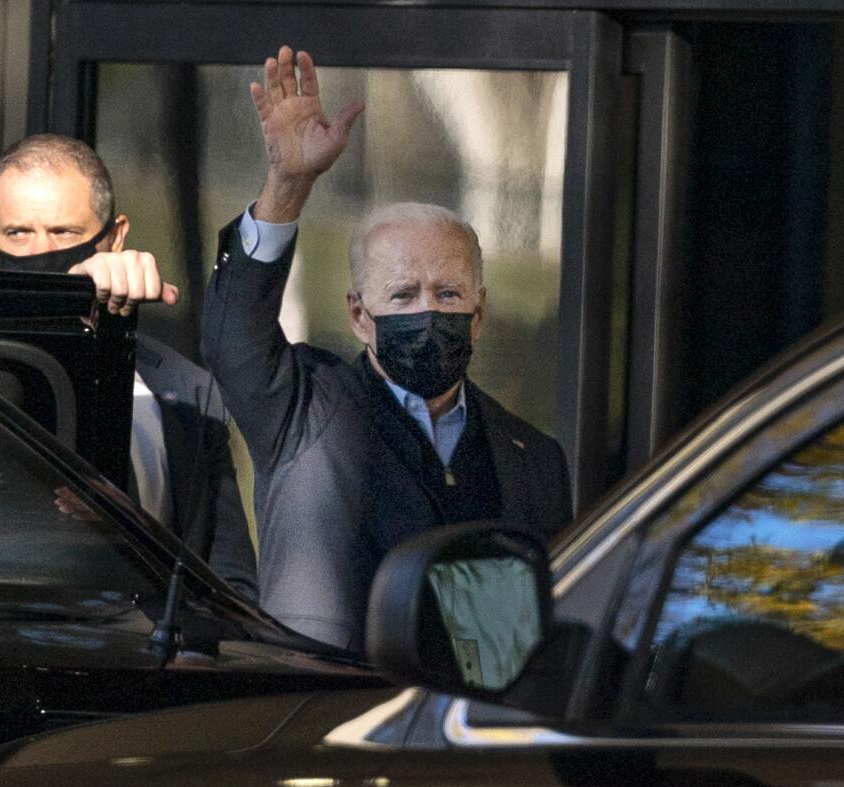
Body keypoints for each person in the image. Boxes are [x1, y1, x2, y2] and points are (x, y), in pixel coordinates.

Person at [202, 47, 572, 650]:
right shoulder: (305, 412)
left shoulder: (534, 460)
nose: (427, 311)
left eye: (448, 292)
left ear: (479, 315)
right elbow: (232, 335)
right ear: (358, 315)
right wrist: (288, 186)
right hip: (328, 716)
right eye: (402, 295)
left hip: (463, 727)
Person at [0, 133, 257, 601]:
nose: (40, 252)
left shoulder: (188, 390)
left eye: (64, 233)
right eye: (19, 233)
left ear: (115, 237)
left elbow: (231, 585)